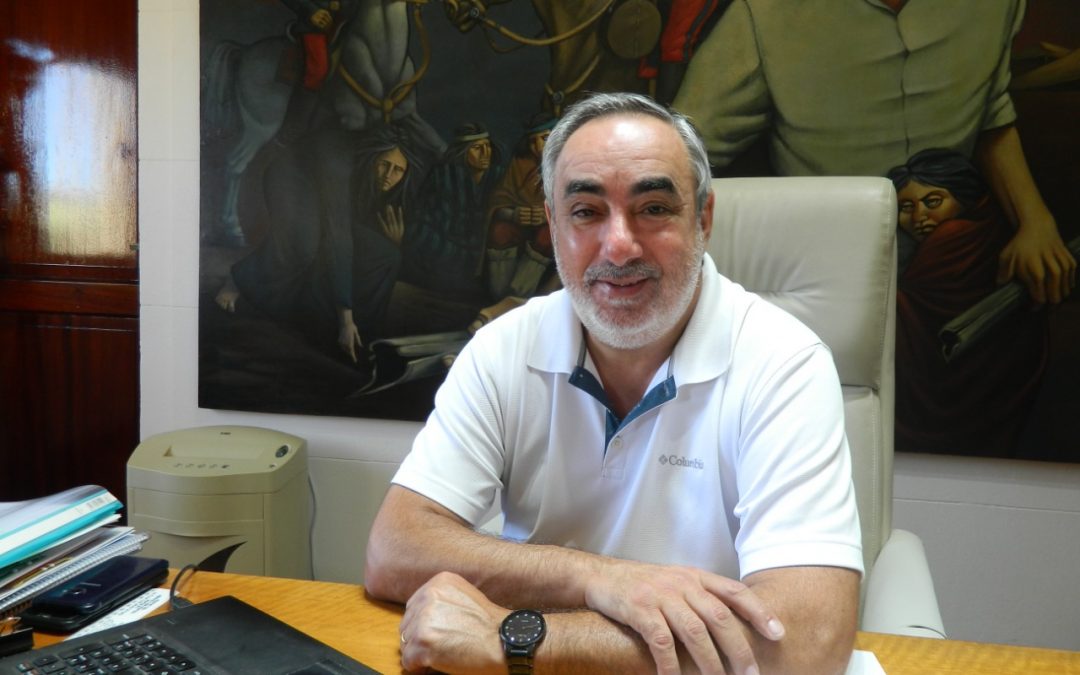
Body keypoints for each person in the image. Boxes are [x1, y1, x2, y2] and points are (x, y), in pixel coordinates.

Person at [365, 92, 863, 675]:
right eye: (585, 212)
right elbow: (393, 548)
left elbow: (807, 640)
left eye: (653, 208)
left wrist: (520, 641)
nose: (619, 246)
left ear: (703, 218)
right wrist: (602, 578)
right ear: (553, 225)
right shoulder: (503, 348)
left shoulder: (784, 363)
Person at [673, 0, 1076, 307]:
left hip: (961, 277)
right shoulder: (766, 14)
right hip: (826, 287)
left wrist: (1034, 221)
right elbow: (679, 153)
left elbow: (989, 111)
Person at [887, 148, 1048, 457]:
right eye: (906, 207)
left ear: (963, 195)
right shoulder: (992, 228)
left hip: (967, 371)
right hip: (1002, 371)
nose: (918, 217)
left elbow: (915, 307)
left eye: (933, 201)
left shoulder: (954, 235)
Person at [400, 123, 504, 301]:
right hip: (446, 252)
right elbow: (425, 222)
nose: (485, 153)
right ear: (463, 151)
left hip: (485, 256)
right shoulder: (443, 176)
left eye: (487, 146)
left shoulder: (498, 176)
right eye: (477, 148)